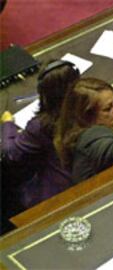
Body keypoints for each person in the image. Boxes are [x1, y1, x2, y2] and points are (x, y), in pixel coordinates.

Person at [1, 60, 79, 210]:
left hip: (57, 194)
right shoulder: (88, 106)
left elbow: (10, 153)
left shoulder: (41, 126)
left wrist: (8, 124)